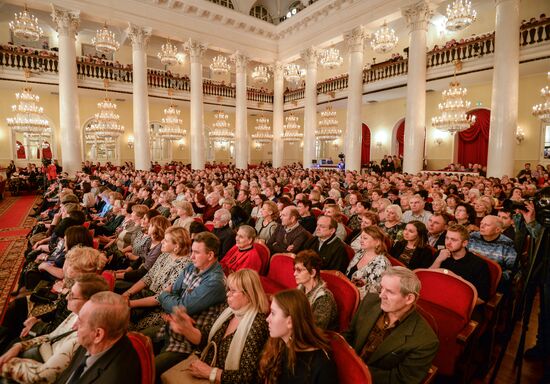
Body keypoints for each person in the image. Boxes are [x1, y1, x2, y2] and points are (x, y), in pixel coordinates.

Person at [161, 269, 269, 384]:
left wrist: (210, 372)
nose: (228, 294)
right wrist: (186, 329)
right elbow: (205, 338)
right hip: (205, 368)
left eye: (233, 291)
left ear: (249, 295)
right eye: (228, 289)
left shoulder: (257, 325)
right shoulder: (228, 310)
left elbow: (247, 378)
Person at [0, 274, 109, 384]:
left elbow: (44, 376)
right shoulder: (75, 315)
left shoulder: (81, 337)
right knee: (14, 342)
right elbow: (51, 336)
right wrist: (19, 346)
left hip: (40, 366)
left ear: (89, 302)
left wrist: (5, 365)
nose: (66, 297)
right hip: (40, 352)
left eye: (72, 295)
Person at [343, 267, 439, 384]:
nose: (381, 295)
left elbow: (401, 380)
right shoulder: (369, 302)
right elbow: (349, 335)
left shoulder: (426, 341)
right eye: (381, 288)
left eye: (389, 291)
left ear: (409, 298)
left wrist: (354, 369)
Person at [54, 291, 141, 383]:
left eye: (81, 321)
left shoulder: (113, 378)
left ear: (98, 334)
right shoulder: (92, 341)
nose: (76, 326)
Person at [259, 289, 338, 384]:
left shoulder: (322, 365)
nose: (268, 319)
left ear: (290, 322)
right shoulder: (278, 343)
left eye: (273, 313)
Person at [430, 224, 491, 301]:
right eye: (447, 238)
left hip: (460, 302)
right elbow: (428, 280)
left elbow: (482, 298)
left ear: (464, 243)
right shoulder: (440, 254)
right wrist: (438, 260)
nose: (448, 243)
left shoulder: (479, 264)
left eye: (453, 240)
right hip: (437, 296)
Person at [293, 250, 338, 330]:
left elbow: (315, 330)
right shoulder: (300, 288)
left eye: (299, 270)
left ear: (312, 273)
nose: (294, 274)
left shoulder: (324, 298)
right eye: (295, 269)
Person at [467, 215, 517, 284]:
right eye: (481, 223)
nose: (482, 226)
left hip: (491, 282)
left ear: (497, 230)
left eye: (487, 225)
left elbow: (513, 269)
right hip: (469, 276)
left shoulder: (507, 244)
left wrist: (495, 278)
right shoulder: (472, 236)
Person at [346, 226, 391, 298]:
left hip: (361, 300)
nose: (361, 240)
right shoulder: (360, 253)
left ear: (377, 242)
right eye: (361, 237)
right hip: (348, 292)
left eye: (365, 238)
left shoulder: (382, 264)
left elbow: (373, 294)